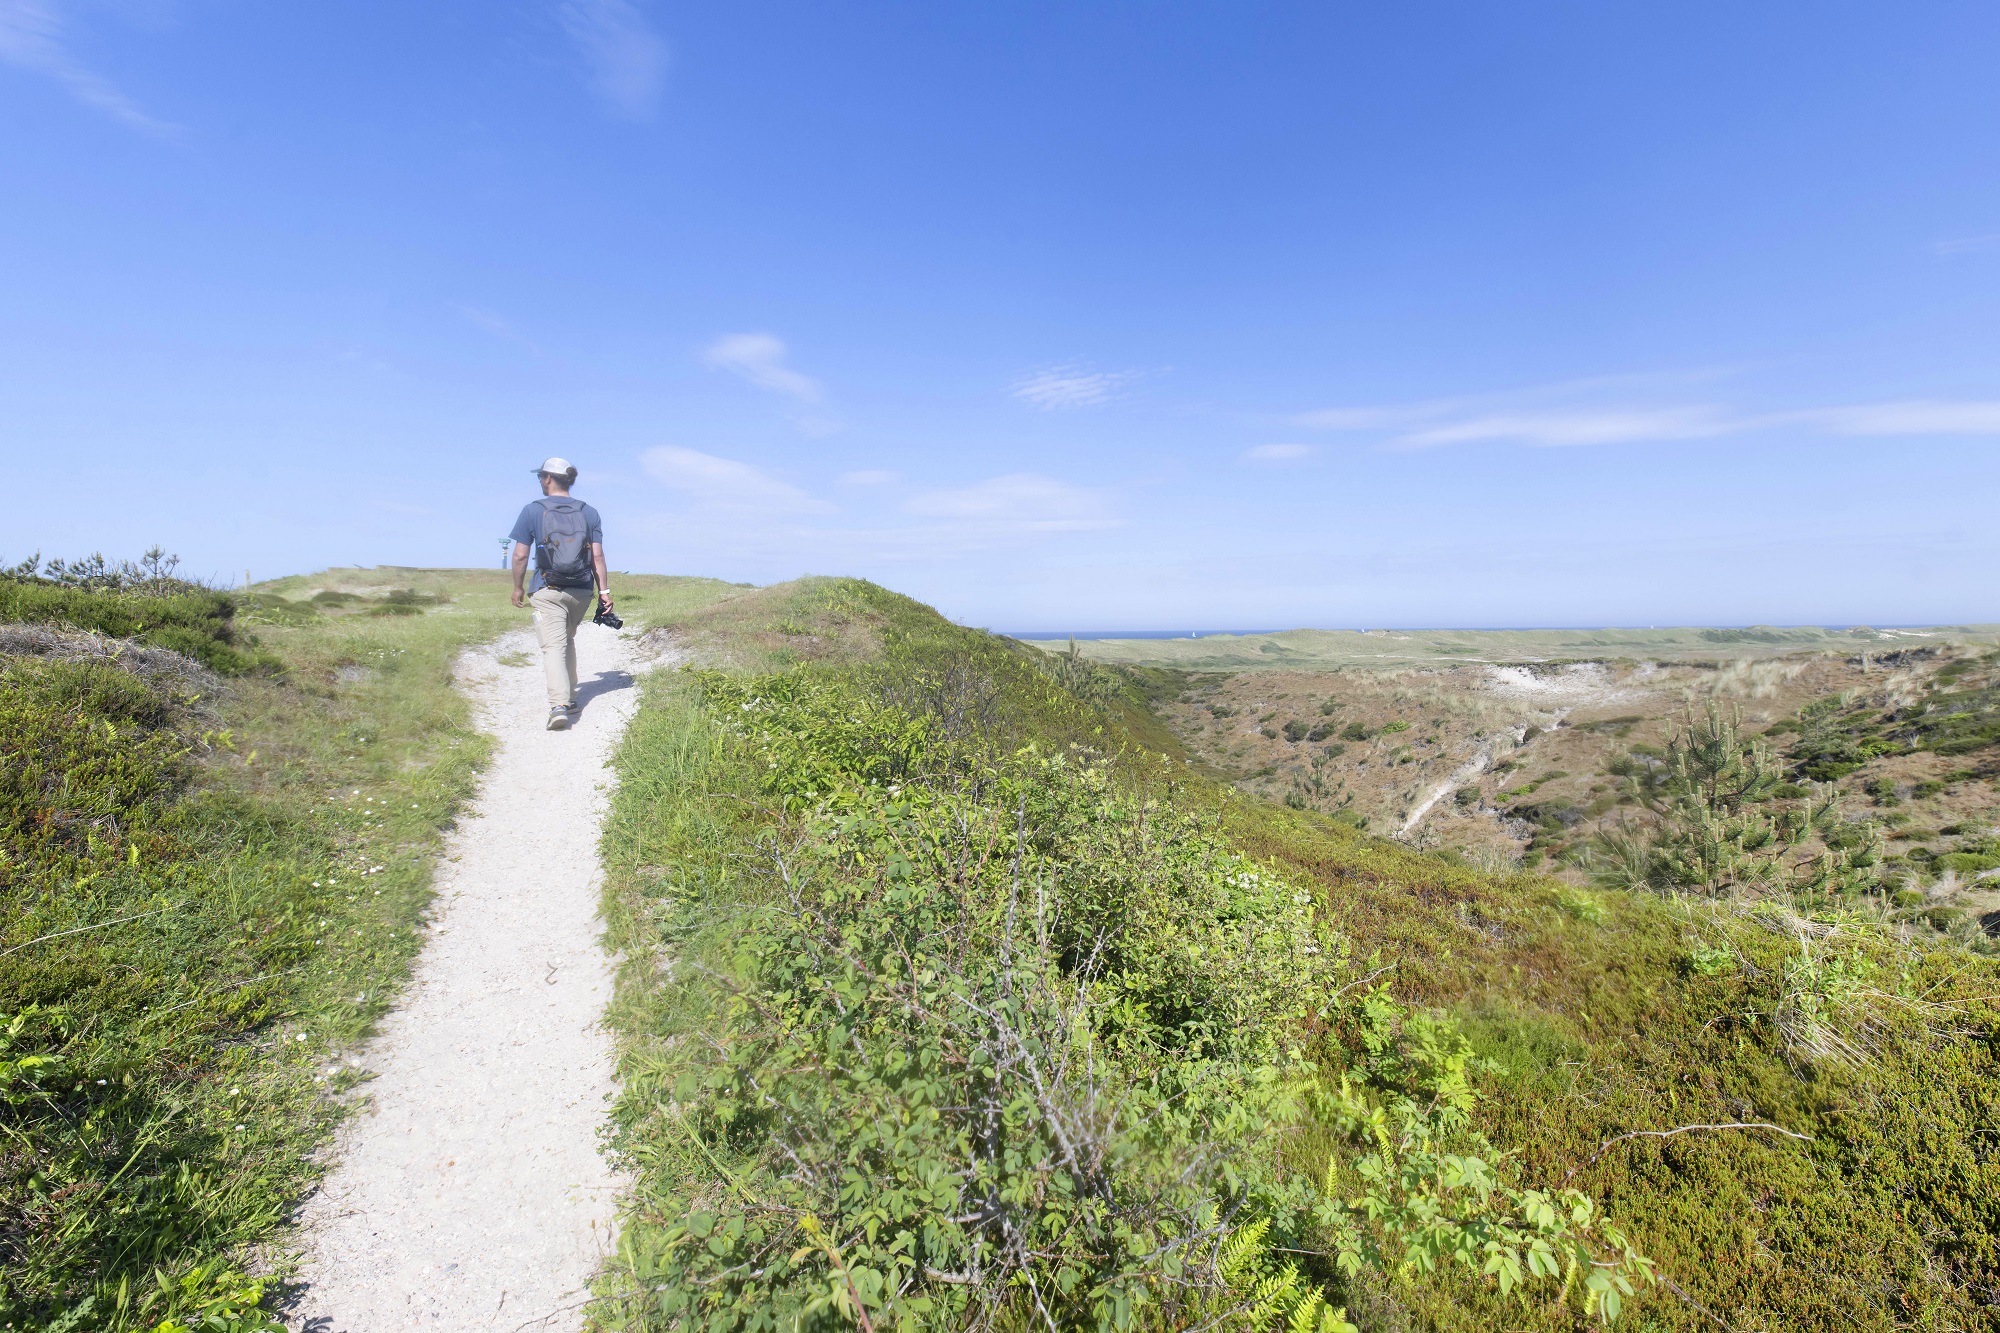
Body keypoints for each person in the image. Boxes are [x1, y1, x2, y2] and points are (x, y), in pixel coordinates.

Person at [509, 458, 614, 730]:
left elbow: (520, 555)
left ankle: (559, 705)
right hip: (582, 591)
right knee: (566, 639)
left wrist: (518, 587)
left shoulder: (533, 510)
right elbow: (598, 556)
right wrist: (604, 591)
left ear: (547, 479)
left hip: (548, 589)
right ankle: (571, 697)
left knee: (553, 646)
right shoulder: (589, 512)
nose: (540, 482)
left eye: (540, 477)